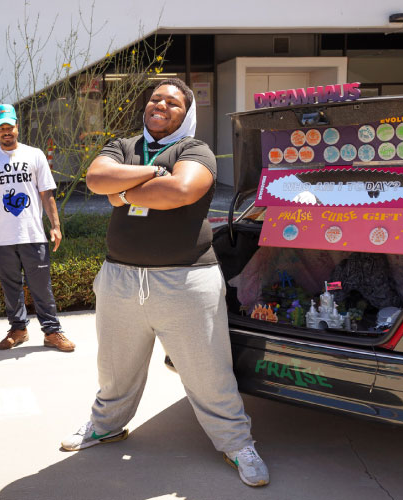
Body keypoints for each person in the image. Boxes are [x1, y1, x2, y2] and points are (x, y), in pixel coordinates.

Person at [61, 78, 270, 487]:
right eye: (155, 98)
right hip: (120, 278)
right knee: (115, 368)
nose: (160, 105)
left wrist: (123, 193)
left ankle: (236, 443)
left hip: (186, 281)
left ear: (186, 113)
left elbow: (181, 189)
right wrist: (151, 172)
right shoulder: (122, 145)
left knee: (208, 372)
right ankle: (105, 425)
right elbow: (97, 180)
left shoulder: (195, 150)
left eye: (172, 102)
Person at [0, 104, 75, 352]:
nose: (6, 132)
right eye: (1, 128)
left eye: (10, 127)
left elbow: (46, 193)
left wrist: (55, 226)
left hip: (33, 234)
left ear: (17, 126)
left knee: (41, 285)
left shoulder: (35, 155)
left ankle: (52, 332)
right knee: (10, 286)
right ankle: (18, 329)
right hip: (4, 237)